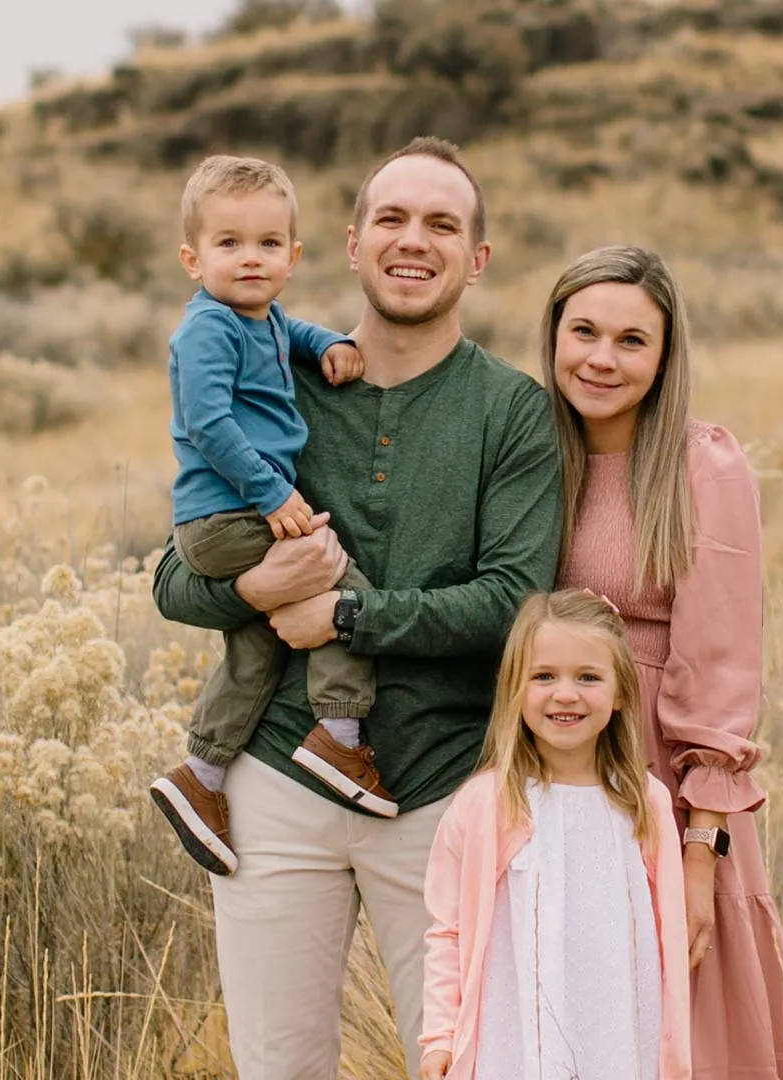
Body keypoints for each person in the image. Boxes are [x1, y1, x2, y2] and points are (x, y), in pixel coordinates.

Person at [150, 136, 563, 1079]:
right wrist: (258, 590)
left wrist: (339, 618)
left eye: (442, 224)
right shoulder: (271, 379)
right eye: (392, 218)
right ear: (347, 244)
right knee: (278, 1065)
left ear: (478, 257)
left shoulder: (511, 412)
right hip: (275, 788)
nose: (413, 241)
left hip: (442, 786)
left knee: (464, 1061)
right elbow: (174, 580)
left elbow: (512, 606)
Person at [540, 245, 783, 1078]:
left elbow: (724, 662)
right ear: (552, 335)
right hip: (544, 764)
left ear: (665, 357)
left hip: (663, 777)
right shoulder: (525, 450)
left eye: (632, 340)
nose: (601, 358)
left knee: (682, 1019)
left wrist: (702, 851)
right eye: (583, 331)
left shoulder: (703, 465)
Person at [149, 154, 399, 880]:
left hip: (232, 513)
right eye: (229, 244)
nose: (249, 259)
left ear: (292, 257)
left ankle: (203, 773)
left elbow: (295, 334)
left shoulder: (261, 317)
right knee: (340, 584)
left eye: (266, 244)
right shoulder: (207, 330)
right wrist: (272, 495)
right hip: (228, 514)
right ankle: (338, 732)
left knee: (258, 644)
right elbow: (208, 423)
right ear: (193, 260)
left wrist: (331, 346)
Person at [418, 589, 692, 1080]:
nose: (565, 694)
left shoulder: (643, 802)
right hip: (515, 1042)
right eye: (544, 676)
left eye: (588, 677)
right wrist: (439, 1036)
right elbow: (448, 928)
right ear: (513, 689)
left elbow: (666, 934)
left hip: (620, 1038)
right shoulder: (486, 804)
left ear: (622, 691)